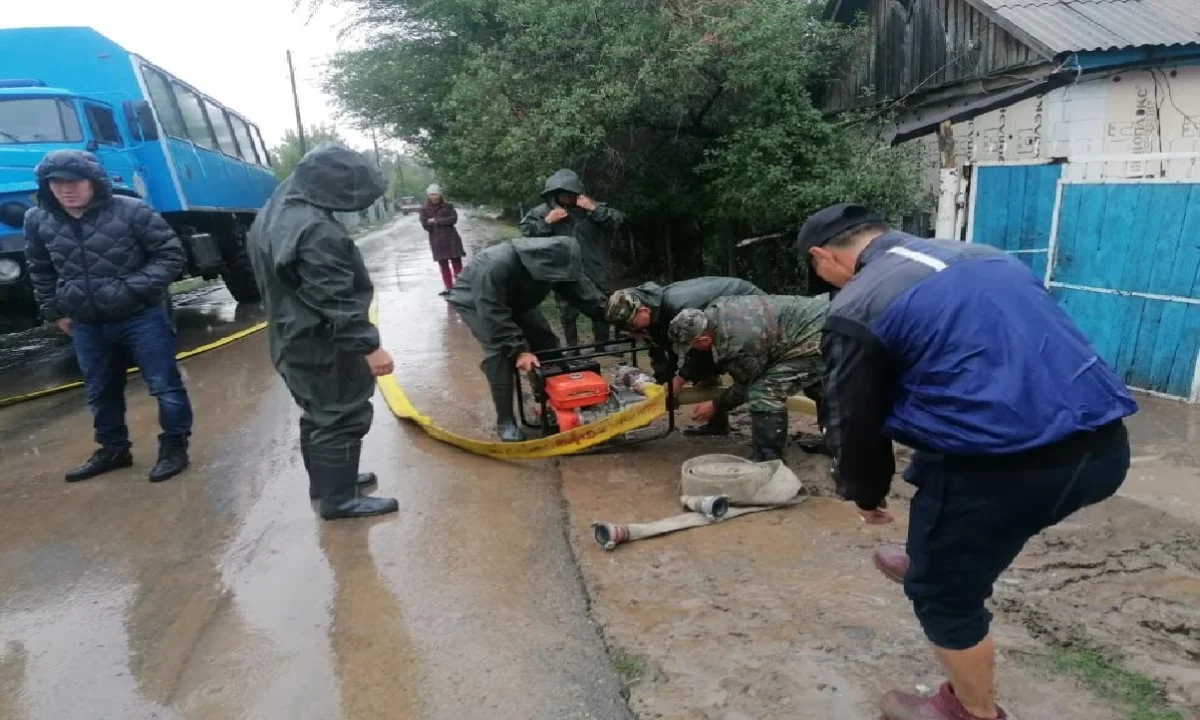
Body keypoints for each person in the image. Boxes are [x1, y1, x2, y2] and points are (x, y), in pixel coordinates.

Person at [795, 203, 1137, 720]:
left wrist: (865, 493)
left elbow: (853, 420)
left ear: (823, 257)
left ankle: (971, 711)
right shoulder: (983, 255)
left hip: (1011, 473)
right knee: (941, 447)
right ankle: (936, 552)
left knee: (941, 594)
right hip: (1106, 448)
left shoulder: (859, 305)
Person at [247, 142, 399, 521]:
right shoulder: (315, 228)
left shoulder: (274, 213)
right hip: (320, 342)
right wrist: (369, 347)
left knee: (316, 412)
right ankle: (340, 500)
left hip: (289, 335)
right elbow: (334, 297)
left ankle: (329, 483)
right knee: (340, 413)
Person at [24, 150, 192, 483]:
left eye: (73, 182)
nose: (64, 190)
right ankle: (113, 450)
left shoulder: (132, 211)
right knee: (100, 391)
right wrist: (55, 311)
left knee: (164, 387)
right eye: (55, 183)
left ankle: (174, 447)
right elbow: (40, 270)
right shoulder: (38, 220)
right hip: (86, 324)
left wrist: (128, 289)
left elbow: (171, 256)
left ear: (94, 181)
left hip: (140, 317)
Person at [447, 236, 608, 442]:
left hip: (519, 300)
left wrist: (617, 316)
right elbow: (492, 311)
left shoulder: (559, 261)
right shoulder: (495, 264)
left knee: (547, 342)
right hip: (477, 302)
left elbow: (584, 296)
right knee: (500, 354)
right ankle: (505, 421)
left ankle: (551, 399)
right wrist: (519, 350)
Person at [667, 295, 827, 461]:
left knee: (764, 392)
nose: (690, 350)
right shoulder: (716, 310)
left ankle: (768, 460)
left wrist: (716, 404)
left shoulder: (735, 343)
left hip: (815, 337)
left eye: (690, 345)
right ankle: (836, 444)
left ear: (704, 340)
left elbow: (746, 385)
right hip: (820, 318)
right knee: (819, 385)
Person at [605, 277, 765, 436]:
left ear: (643, 310)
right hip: (718, 315)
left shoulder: (678, 309)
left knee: (743, 368)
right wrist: (663, 384)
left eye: (630, 324)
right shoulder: (655, 313)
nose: (631, 330)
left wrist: (679, 380)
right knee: (703, 371)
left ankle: (766, 436)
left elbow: (699, 349)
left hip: (750, 307)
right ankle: (717, 424)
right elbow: (662, 350)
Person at [519, 169, 621, 347]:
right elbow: (525, 231)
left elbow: (616, 221)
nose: (567, 198)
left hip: (593, 266)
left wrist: (594, 209)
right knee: (567, 310)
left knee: (600, 305)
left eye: (570, 194)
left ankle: (603, 345)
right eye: (562, 195)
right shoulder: (543, 211)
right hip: (562, 269)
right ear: (554, 194)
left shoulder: (591, 208)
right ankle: (573, 349)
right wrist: (547, 222)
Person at [419, 183, 466, 296]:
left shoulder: (448, 206)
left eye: (436, 194)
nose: (434, 197)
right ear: (428, 196)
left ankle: (461, 287)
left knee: (456, 263)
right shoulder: (424, 209)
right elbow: (425, 224)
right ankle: (449, 288)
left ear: (440, 195)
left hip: (452, 239)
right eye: (431, 195)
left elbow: (453, 219)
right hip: (437, 241)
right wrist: (429, 223)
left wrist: (436, 221)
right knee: (443, 265)